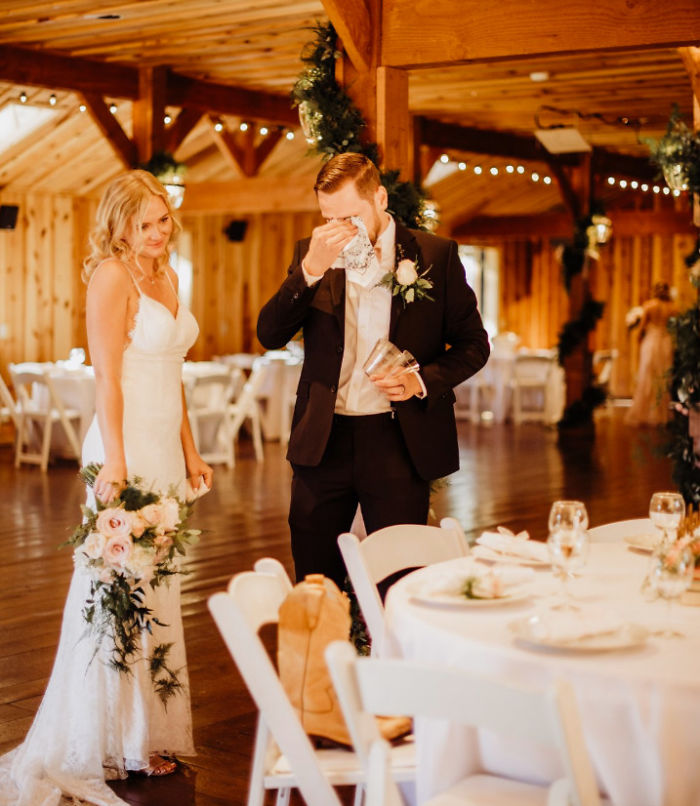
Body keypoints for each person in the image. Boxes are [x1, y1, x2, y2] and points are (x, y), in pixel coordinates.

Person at [0, 170, 212, 806]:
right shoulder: (112, 277)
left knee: (158, 585)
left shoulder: (166, 276)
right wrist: (116, 460)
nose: (157, 232)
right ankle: (110, 738)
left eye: (163, 220)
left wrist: (191, 449)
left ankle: (146, 731)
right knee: (116, 588)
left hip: (164, 448)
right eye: (144, 223)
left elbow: (173, 375)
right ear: (119, 224)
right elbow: (107, 380)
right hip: (125, 448)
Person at [257, 153, 489, 588]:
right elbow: (269, 334)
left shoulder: (433, 255)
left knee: (400, 579)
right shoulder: (312, 254)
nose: (341, 230)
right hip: (323, 441)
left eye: (350, 217)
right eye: (329, 218)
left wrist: (420, 380)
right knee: (316, 581)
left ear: (380, 199)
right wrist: (310, 271)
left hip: (397, 441)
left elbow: (474, 345)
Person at [626, 281, 675, 426]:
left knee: (647, 375)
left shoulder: (649, 306)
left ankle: (644, 413)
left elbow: (641, 329)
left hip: (651, 342)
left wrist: (637, 337)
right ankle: (661, 413)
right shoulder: (673, 308)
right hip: (666, 343)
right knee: (663, 376)